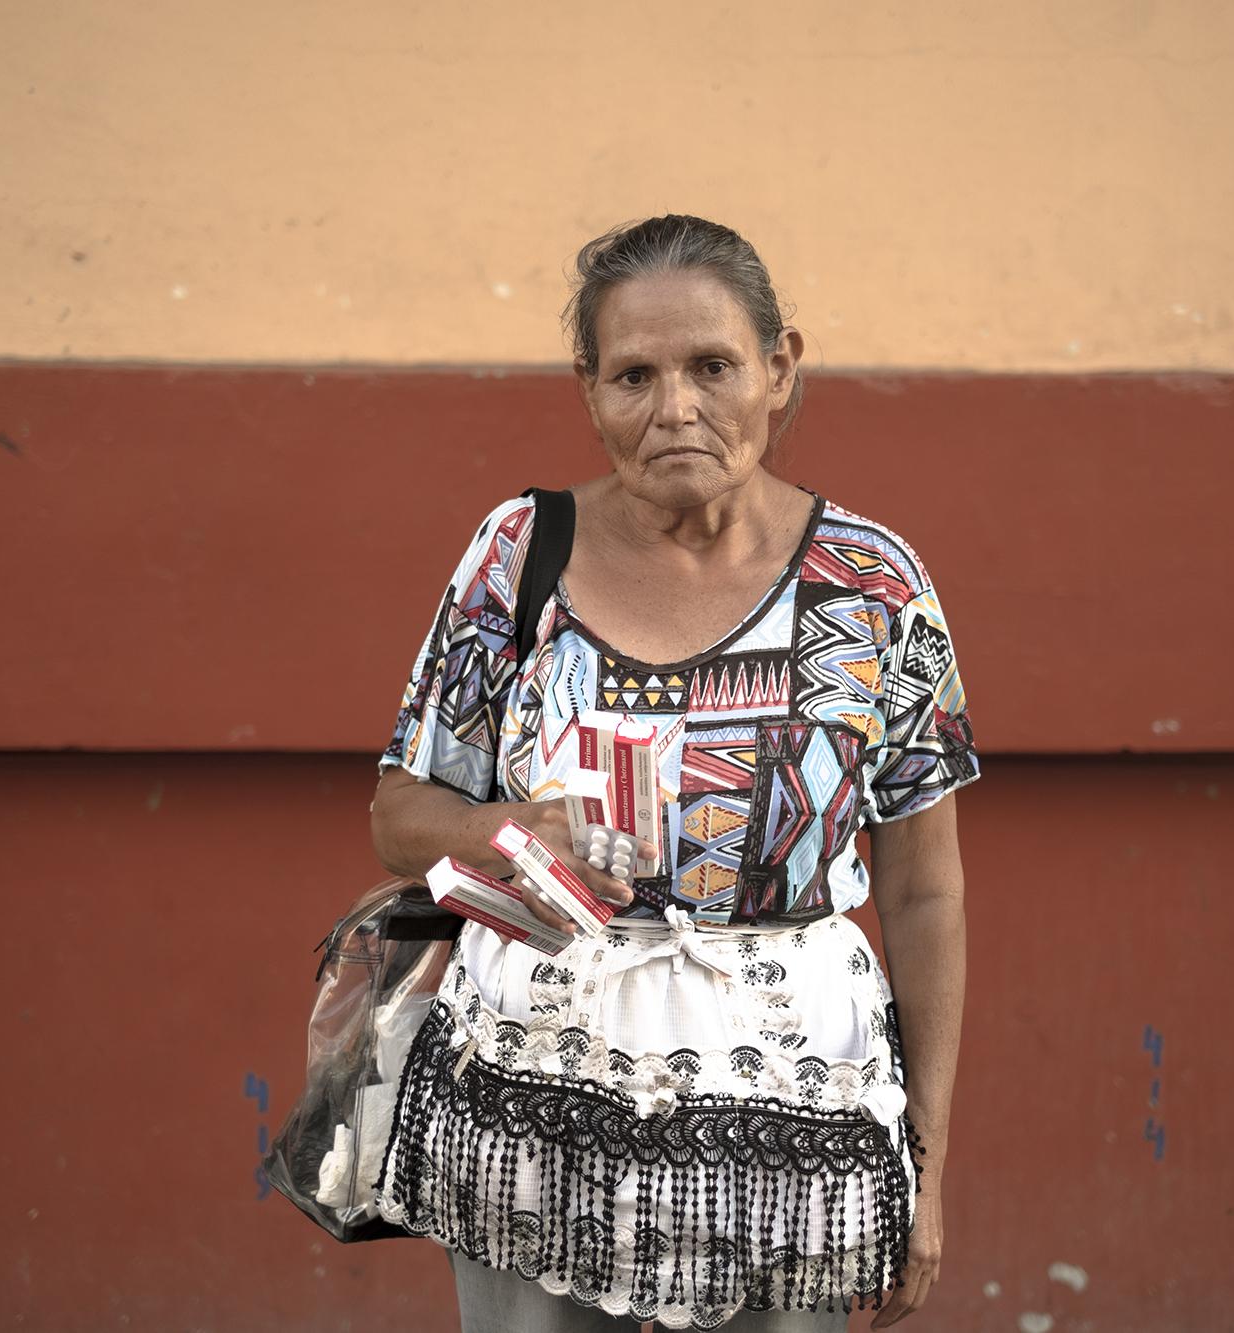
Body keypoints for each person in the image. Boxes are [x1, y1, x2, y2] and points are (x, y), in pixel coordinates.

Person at [367, 215, 975, 1331]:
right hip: (535, 1101)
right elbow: (400, 812)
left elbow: (924, 889)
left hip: (793, 1114)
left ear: (779, 366)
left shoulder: (869, 586)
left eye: (712, 367)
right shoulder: (520, 554)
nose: (674, 409)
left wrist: (923, 1163)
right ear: (588, 391)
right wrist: (508, 829)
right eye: (633, 375)